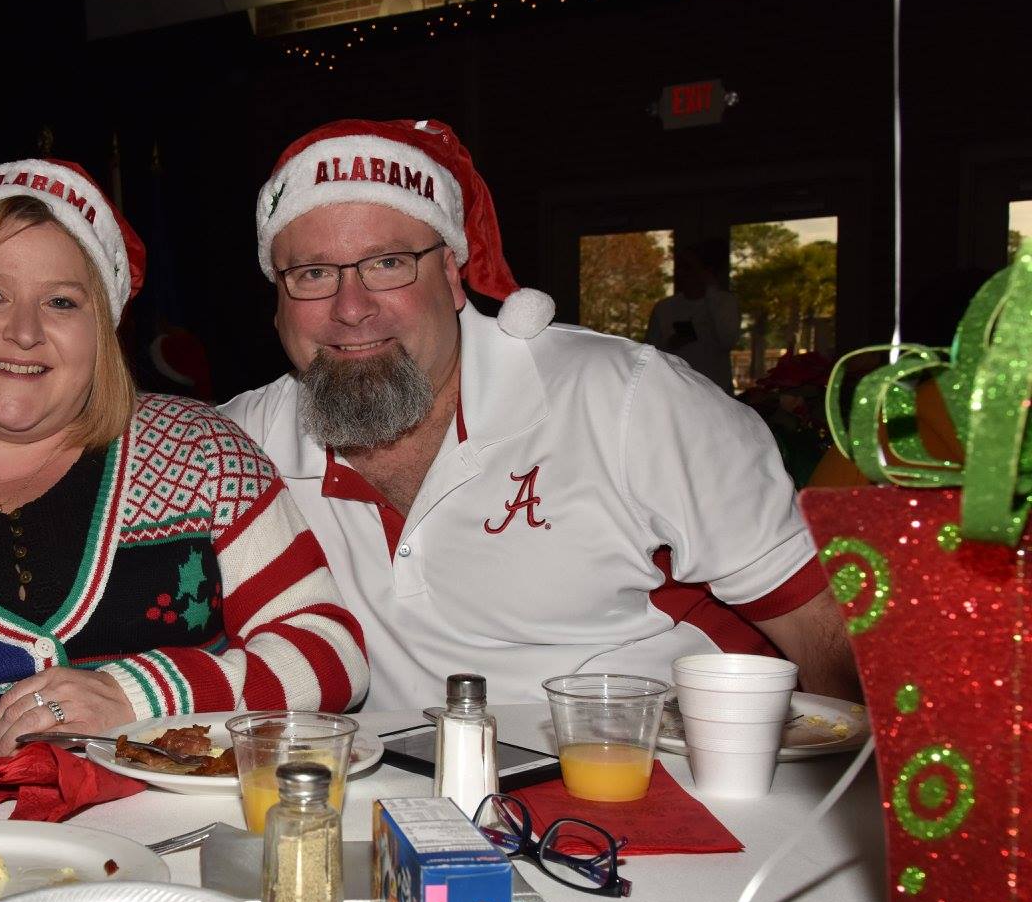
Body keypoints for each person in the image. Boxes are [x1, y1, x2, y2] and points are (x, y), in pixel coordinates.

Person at [221, 118, 858, 710]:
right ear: (277, 296)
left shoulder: (626, 399)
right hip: (417, 806)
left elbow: (824, 626)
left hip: (673, 781)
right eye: (311, 273)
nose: (351, 307)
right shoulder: (238, 446)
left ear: (450, 272)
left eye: (389, 264)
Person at [0, 159, 367, 761]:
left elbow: (329, 653)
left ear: (103, 331)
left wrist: (139, 697)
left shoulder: (199, 453)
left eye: (61, 302)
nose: (24, 331)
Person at [646, 245, 741, 392]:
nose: (682, 273)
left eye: (690, 267)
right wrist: (670, 345)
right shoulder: (664, 308)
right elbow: (650, 351)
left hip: (717, 390)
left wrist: (712, 293)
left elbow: (728, 339)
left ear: (707, 270)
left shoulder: (724, 303)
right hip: (676, 390)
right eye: (680, 267)